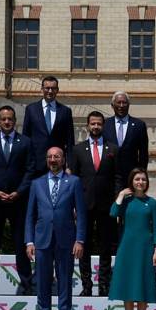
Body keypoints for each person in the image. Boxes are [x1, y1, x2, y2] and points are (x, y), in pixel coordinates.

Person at [25, 145, 85, 310]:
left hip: (66, 240)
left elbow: (82, 215)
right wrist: (29, 241)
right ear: (46, 159)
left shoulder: (73, 182)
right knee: (42, 283)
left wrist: (80, 240)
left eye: (57, 157)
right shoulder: (37, 183)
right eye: (50, 157)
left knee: (65, 283)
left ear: (63, 159)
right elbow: (30, 215)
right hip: (42, 240)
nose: (53, 160)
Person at [0, 106, 35, 294]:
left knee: (21, 243)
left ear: (14, 121)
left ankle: (27, 284)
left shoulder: (26, 142)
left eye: (10, 119)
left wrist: (19, 192)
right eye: (3, 119)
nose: (6, 122)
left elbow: (30, 170)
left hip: (18, 201)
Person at [68, 112, 118, 296]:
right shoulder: (78, 149)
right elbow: (73, 178)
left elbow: (117, 177)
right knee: (84, 246)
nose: (96, 127)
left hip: (107, 205)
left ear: (103, 126)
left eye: (99, 124)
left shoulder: (113, 148)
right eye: (92, 124)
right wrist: (73, 204)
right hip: (84, 205)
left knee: (106, 247)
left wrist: (117, 201)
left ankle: (104, 284)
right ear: (87, 126)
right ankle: (86, 285)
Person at [109, 169, 156, 310]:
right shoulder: (127, 201)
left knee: (142, 286)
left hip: (145, 249)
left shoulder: (152, 203)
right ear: (132, 181)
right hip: (127, 247)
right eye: (137, 179)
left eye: (143, 180)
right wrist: (121, 194)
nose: (140, 182)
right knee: (129, 287)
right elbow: (113, 213)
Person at [22, 74, 76, 177]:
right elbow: (26, 137)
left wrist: (70, 166)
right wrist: (26, 162)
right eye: (47, 88)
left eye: (53, 88)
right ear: (42, 89)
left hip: (58, 164)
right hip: (36, 164)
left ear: (57, 90)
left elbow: (70, 141)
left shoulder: (65, 111)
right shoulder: (31, 109)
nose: (50, 91)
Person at [105, 91, 150, 177]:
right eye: (118, 102)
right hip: (109, 175)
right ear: (112, 105)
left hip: (131, 175)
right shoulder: (105, 124)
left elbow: (143, 154)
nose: (121, 106)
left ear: (129, 105)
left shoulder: (139, 125)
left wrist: (141, 173)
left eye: (124, 103)